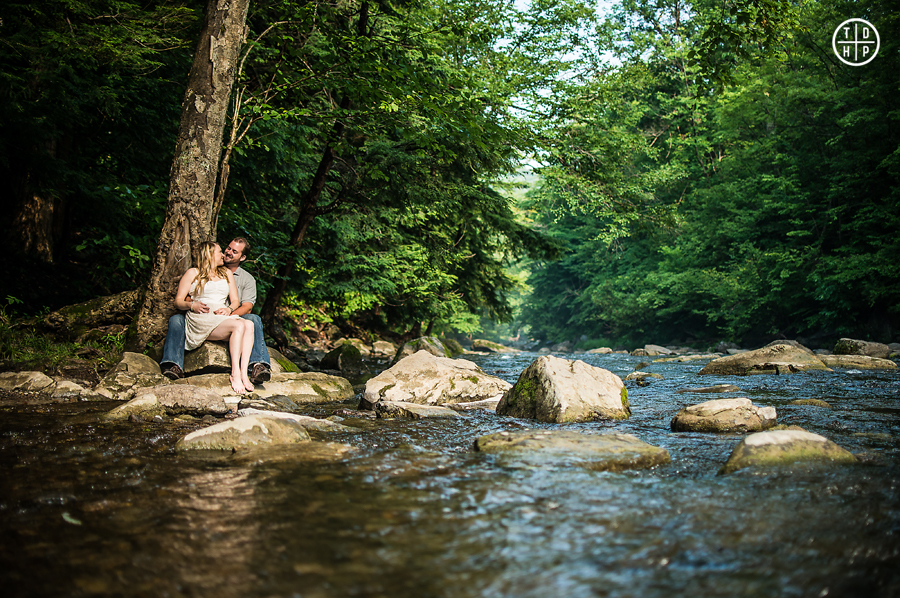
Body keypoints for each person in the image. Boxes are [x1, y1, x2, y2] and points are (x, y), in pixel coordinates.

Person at [159, 237, 272, 385]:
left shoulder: (243, 278)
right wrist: (192, 305)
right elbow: (184, 297)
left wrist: (228, 312)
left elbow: (245, 306)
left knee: (252, 320)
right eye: (227, 249)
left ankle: (256, 365)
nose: (227, 253)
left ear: (242, 257)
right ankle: (172, 364)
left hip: (226, 315)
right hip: (202, 314)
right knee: (176, 319)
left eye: (234, 251)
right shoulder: (194, 272)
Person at [172, 241, 254, 395]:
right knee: (239, 326)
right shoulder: (192, 273)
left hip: (220, 315)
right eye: (220, 252)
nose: (223, 255)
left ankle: (244, 373)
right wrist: (192, 305)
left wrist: (229, 309)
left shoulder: (226, 273)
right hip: (201, 317)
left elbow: (235, 301)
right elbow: (178, 301)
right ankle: (235, 374)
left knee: (249, 324)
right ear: (209, 255)